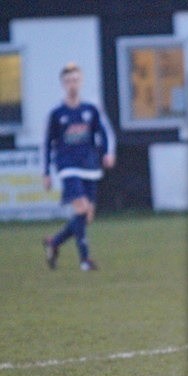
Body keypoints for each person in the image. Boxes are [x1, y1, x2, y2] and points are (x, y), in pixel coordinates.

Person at [42, 62, 116, 271]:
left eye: (75, 80)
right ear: (62, 84)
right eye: (68, 81)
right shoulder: (57, 113)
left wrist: (108, 153)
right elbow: (47, 143)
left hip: (90, 166)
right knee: (82, 208)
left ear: (81, 81)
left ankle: (54, 242)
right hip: (68, 167)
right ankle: (85, 260)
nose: (72, 84)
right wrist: (46, 172)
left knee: (86, 216)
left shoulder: (90, 109)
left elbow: (105, 132)